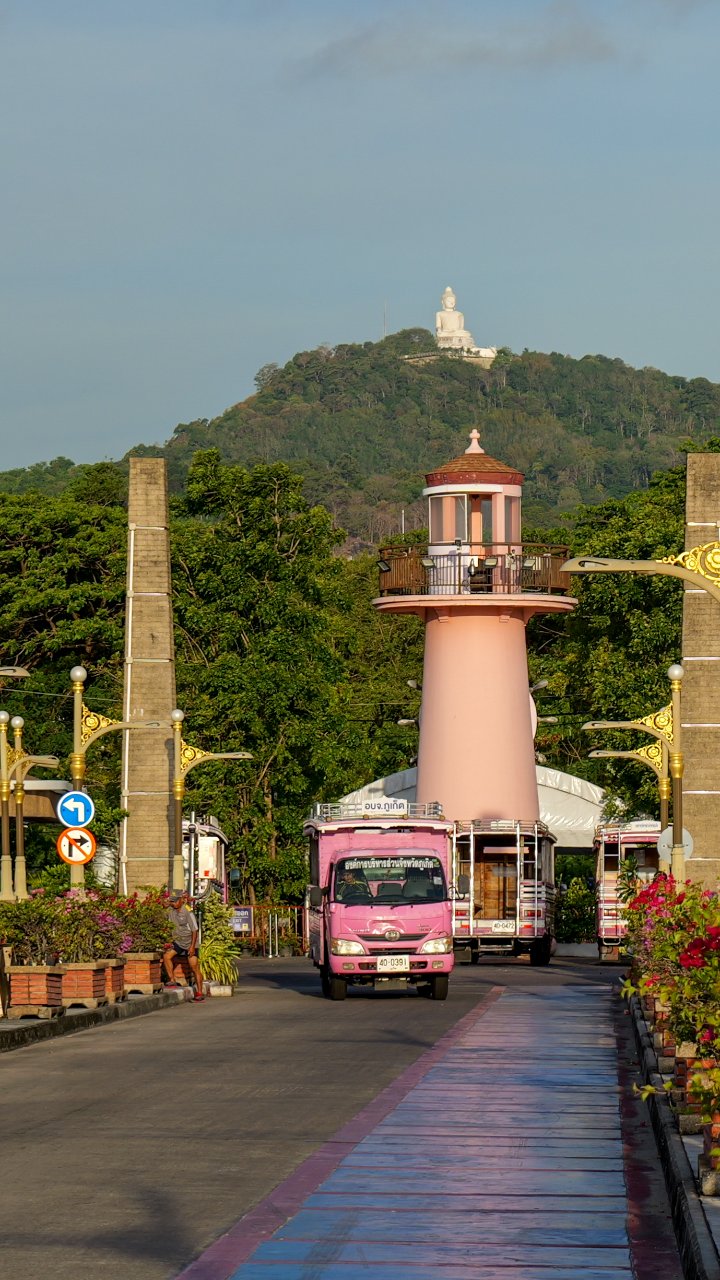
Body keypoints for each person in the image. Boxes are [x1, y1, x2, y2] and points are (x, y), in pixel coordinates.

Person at [164, 890, 205, 1001]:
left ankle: (200, 992)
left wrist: (192, 947)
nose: (173, 903)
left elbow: (195, 930)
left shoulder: (188, 911)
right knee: (167, 956)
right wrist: (165, 905)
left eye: (175, 901)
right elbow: (162, 909)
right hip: (178, 942)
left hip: (190, 942)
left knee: (194, 967)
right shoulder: (171, 910)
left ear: (181, 900)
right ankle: (172, 979)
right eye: (172, 901)